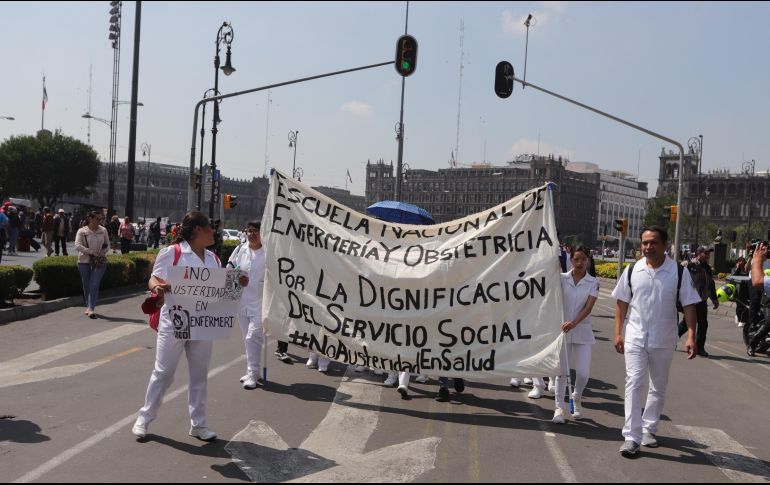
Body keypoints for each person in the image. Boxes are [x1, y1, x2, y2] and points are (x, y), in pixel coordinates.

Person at [611, 226, 700, 457]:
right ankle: (631, 437)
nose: (648, 247)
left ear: (664, 245)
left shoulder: (678, 272)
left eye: (653, 243)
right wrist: (618, 333)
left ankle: (648, 428)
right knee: (633, 382)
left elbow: (689, 304)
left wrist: (691, 336)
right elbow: (622, 302)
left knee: (658, 386)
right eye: (645, 243)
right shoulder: (633, 270)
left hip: (664, 338)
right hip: (635, 336)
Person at [132, 211, 220, 441]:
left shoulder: (214, 259)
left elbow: (220, 290)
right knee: (164, 372)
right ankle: (144, 418)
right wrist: (156, 288)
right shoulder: (173, 253)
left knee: (199, 375)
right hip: (175, 321)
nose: (213, 231)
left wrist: (238, 282)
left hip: (203, 322)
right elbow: (154, 278)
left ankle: (199, 424)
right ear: (198, 230)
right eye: (209, 227)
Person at [552, 245, 599, 424]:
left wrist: (574, 323)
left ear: (588, 261)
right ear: (571, 260)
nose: (579, 263)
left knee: (583, 374)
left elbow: (588, 308)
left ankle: (576, 397)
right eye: (576, 259)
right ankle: (558, 408)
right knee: (561, 372)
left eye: (583, 259)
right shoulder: (561, 279)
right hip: (563, 331)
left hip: (582, 331)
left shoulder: (593, 282)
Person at [227, 221, 265, 389]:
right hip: (242, 302)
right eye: (249, 231)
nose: (252, 234)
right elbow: (229, 268)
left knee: (253, 337)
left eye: (256, 231)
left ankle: (253, 374)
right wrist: (237, 278)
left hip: (261, 303)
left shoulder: (269, 252)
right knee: (247, 339)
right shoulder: (240, 249)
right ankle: (252, 371)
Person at [677, 246, 718, 357]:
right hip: (691, 301)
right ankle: (672, 339)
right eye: (706, 253)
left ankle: (700, 348)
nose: (708, 255)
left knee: (703, 324)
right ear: (699, 253)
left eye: (709, 253)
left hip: (702, 301)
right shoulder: (689, 265)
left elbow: (711, 284)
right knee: (686, 324)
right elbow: (678, 279)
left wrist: (714, 299)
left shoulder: (707, 268)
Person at [74, 211, 110, 319]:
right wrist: (91, 252)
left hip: (99, 261)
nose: (99, 221)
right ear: (90, 218)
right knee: (86, 285)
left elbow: (107, 245)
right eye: (97, 219)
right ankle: (88, 305)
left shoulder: (103, 230)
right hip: (84, 261)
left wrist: (103, 251)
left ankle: (91, 308)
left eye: (100, 219)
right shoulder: (82, 231)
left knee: (94, 284)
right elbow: (77, 245)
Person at [748, 242, 770, 356]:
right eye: (764, 248)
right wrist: (754, 259)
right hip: (766, 294)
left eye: (767, 248)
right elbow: (756, 280)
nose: (766, 250)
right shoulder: (758, 257)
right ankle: (752, 344)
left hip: (764, 285)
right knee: (768, 322)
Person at [731, 256, 749, 327]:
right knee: (739, 306)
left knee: (746, 305)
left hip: (746, 290)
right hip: (738, 291)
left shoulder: (746, 269)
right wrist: (738, 268)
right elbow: (733, 275)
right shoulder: (734, 269)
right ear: (737, 262)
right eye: (740, 261)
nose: (742, 262)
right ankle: (739, 317)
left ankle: (743, 320)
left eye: (743, 261)